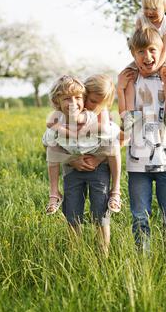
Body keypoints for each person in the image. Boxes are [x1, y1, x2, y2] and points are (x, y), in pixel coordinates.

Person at [117, 27, 166, 253]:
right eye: (140, 52)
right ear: (133, 54)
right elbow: (124, 119)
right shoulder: (129, 79)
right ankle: (143, 265)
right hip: (138, 164)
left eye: (152, 50)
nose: (147, 56)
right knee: (140, 218)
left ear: (161, 50)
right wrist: (119, 88)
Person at [43, 75, 121, 255]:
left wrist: (71, 131)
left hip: (98, 169)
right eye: (67, 99)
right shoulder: (57, 119)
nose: (74, 102)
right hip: (72, 170)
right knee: (72, 214)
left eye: (78, 98)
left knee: (100, 213)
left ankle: (104, 254)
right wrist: (71, 159)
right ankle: (75, 253)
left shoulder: (95, 116)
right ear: (57, 102)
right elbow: (47, 145)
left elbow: (112, 138)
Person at [124, 0, 166, 129]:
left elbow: (165, 50)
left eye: (154, 8)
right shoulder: (141, 20)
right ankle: (130, 112)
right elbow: (136, 44)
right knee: (128, 76)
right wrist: (139, 65)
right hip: (142, 55)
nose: (149, 12)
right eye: (146, 8)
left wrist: (155, 68)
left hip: (160, 57)